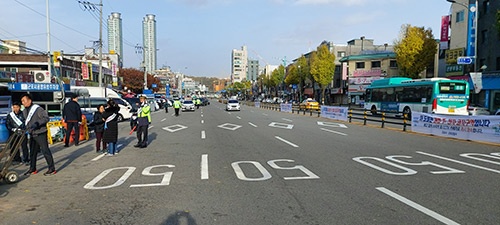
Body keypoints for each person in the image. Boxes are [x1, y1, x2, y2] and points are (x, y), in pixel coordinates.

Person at [21, 93, 56, 176]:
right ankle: (32, 168)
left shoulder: (38, 109)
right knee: (32, 152)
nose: (23, 102)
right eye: (22, 101)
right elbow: (25, 121)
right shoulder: (24, 111)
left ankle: (52, 168)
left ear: (29, 100)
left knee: (45, 150)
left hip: (40, 133)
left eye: (24, 100)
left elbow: (46, 118)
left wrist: (37, 123)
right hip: (32, 133)